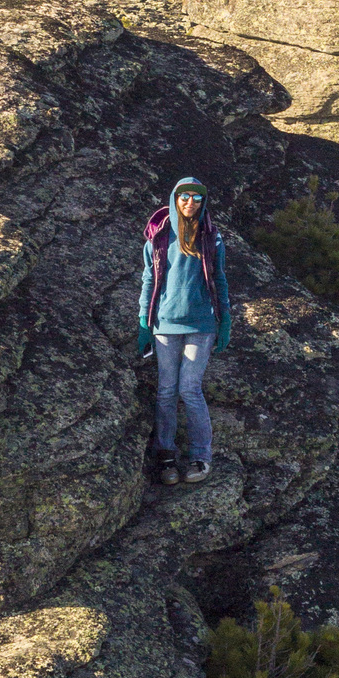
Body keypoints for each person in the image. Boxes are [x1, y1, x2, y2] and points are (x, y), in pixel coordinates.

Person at [137, 175, 231, 485]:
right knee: (165, 391)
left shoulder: (212, 240)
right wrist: (143, 323)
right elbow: (149, 281)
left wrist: (225, 321)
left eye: (197, 197)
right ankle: (166, 457)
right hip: (165, 325)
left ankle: (201, 457)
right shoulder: (158, 238)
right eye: (184, 196)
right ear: (175, 198)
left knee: (189, 389)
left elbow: (219, 281)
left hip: (201, 326)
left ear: (203, 202)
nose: (190, 202)